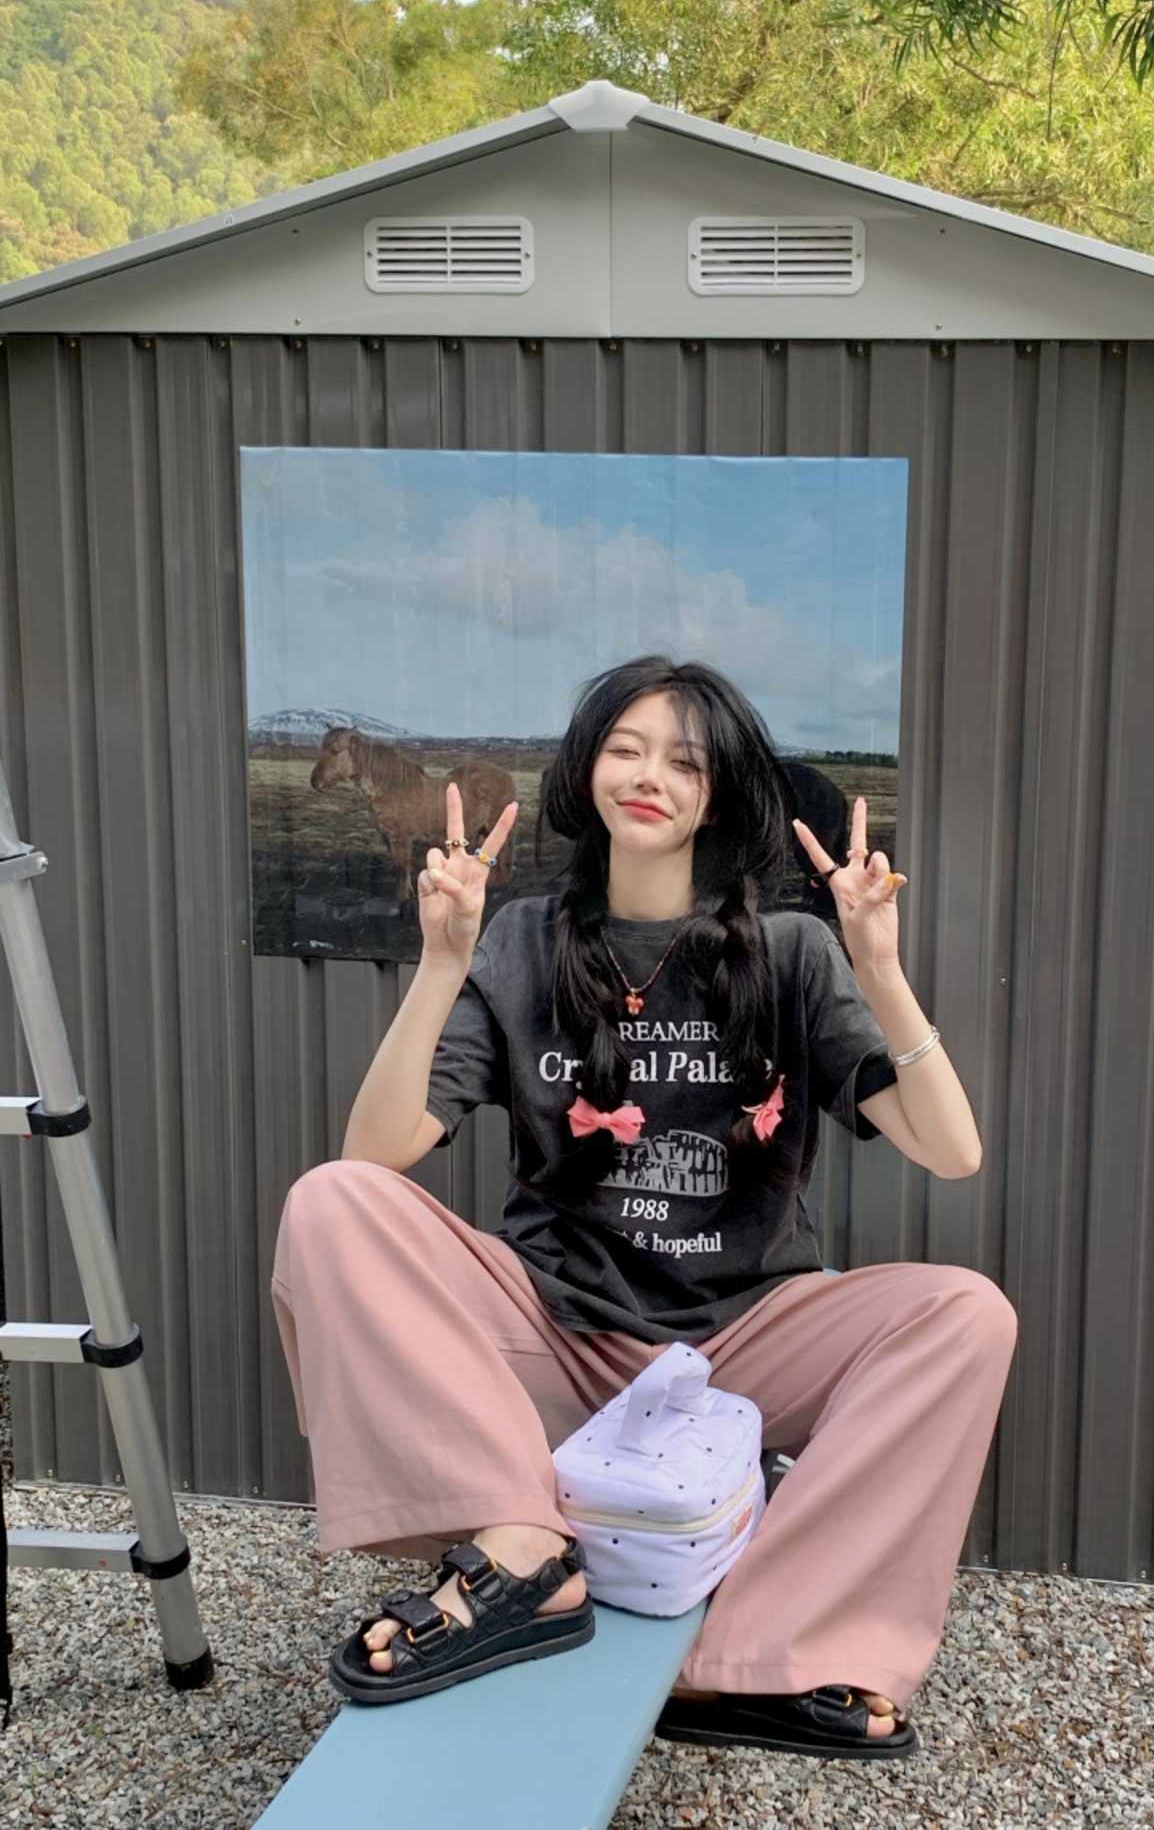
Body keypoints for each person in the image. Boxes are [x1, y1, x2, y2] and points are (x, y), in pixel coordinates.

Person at [272, 656, 1017, 1760]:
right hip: (556, 1325)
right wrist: (438, 965)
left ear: (717, 796)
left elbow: (951, 1150)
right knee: (332, 1202)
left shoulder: (791, 952)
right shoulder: (524, 939)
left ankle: (750, 1657)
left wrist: (880, 967)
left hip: (744, 1338)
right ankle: (524, 1552)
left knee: (966, 1314)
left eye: (685, 760)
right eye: (626, 748)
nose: (649, 775)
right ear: (589, 768)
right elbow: (376, 1153)